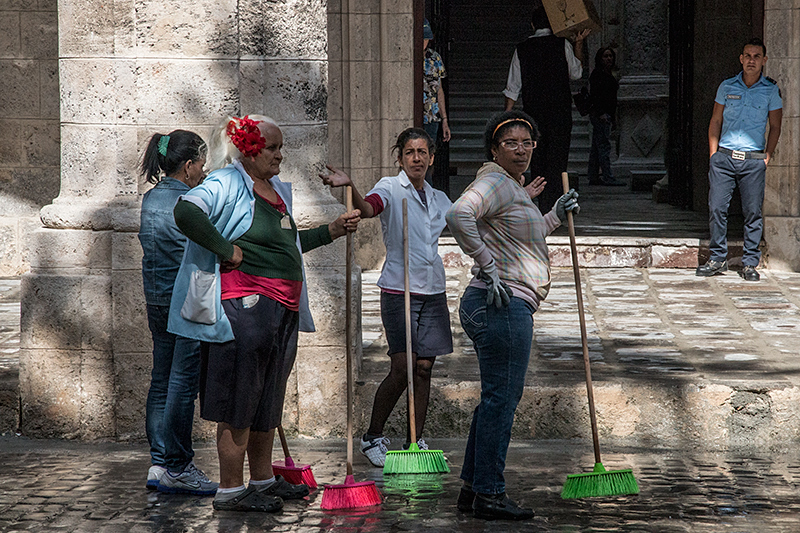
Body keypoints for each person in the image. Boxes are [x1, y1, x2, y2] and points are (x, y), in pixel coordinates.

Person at [167, 115, 361, 512]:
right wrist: (226, 250)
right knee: (239, 400)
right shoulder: (226, 182)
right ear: (249, 150)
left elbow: (288, 244)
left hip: (282, 309)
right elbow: (186, 212)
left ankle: (262, 479)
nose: (280, 156)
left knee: (266, 401)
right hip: (246, 308)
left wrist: (332, 230)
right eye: (273, 148)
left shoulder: (274, 192)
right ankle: (231, 490)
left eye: (279, 148)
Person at [446, 111, 579, 520]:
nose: (521, 150)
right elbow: (457, 215)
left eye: (527, 143)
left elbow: (525, 238)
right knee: (502, 400)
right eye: (511, 143)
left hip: (504, 302)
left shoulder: (510, 186)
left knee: (495, 400)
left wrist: (555, 213)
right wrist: (486, 264)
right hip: (499, 303)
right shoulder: (492, 181)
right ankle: (489, 493)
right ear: (494, 149)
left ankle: (473, 489)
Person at [320, 128, 454, 467]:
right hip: (399, 288)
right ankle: (373, 436)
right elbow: (368, 208)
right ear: (400, 158)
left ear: (432, 157)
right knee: (403, 366)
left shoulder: (439, 199)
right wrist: (350, 186)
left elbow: (468, 218)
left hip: (432, 290)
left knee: (424, 367)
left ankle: (414, 441)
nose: (417, 158)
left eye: (423, 152)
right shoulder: (391, 188)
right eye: (410, 152)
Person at [138, 130, 218, 495]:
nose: (204, 171)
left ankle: (159, 462)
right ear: (188, 166)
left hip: (156, 297)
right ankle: (179, 464)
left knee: (161, 377)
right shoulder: (190, 201)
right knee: (182, 383)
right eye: (201, 164)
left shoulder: (150, 199)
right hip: (183, 300)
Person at [696, 37, 782, 282]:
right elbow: (715, 120)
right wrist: (713, 154)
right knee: (716, 208)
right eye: (747, 56)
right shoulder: (727, 86)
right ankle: (717, 258)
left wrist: (767, 156)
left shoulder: (770, 90)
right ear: (741, 59)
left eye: (757, 56)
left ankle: (749, 263)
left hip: (753, 160)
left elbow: (775, 126)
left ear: (764, 61)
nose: (751, 61)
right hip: (724, 158)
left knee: (752, 212)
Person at [503, 4, 589, 213]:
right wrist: (578, 43)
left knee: (538, 160)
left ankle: (541, 207)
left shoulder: (522, 49)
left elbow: (513, 88)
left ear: (532, 25)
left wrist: (506, 118)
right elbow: (576, 73)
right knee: (558, 162)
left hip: (534, 116)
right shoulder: (562, 45)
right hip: (560, 114)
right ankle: (558, 207)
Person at [587, 46, 623, 186]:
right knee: (603, 146)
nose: (609, 59)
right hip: (600, 114)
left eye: (610, 56)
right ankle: (607, 176)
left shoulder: (607, 74)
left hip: (605, 113)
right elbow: (596, 96)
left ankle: (593, 175)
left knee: (597, 147)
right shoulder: (598, 74)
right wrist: (601, 113)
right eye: (605, 56)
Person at [423, 19, 451, 147]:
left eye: (426, 39)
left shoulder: (435, 58)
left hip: (431, 117)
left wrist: (444, 119)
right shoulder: (408, 58)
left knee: (428, 152)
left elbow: (439, 89)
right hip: (412, 114)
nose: (423, 42)